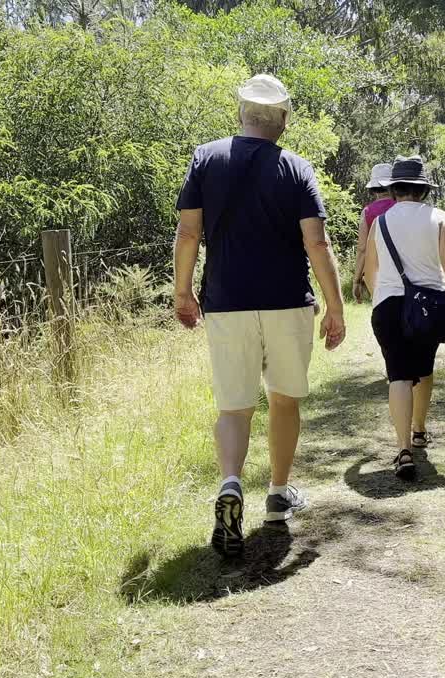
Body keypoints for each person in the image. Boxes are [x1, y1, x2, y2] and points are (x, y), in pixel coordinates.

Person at [173, 73, 347, 558]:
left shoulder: (206, 159)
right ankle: (277, 494)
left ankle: (231, 484)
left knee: (233, 407)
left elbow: (189, 234)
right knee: (284, 400)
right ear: (284, 121)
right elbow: (317, 242)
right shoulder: (296, 169)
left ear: (241, 114)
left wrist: (183, 292)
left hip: (226, 302)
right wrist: (334, 306)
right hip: (288, 301)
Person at [364, 156, 445, 479]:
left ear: (394, 189)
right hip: (427, 306)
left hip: (388, 306)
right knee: (424, 370)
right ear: (423, 189)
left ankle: (403, 449)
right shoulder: (438, 217)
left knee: (398, 376)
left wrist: (381, 297)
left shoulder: (381, 221)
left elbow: (370, 270)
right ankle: (418, 430)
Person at [352, 162, 395, 302]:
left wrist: (356, 280)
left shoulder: (368, 212)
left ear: (373, 189)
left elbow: (362, 249)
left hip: (378, 275)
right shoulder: (401, 207)